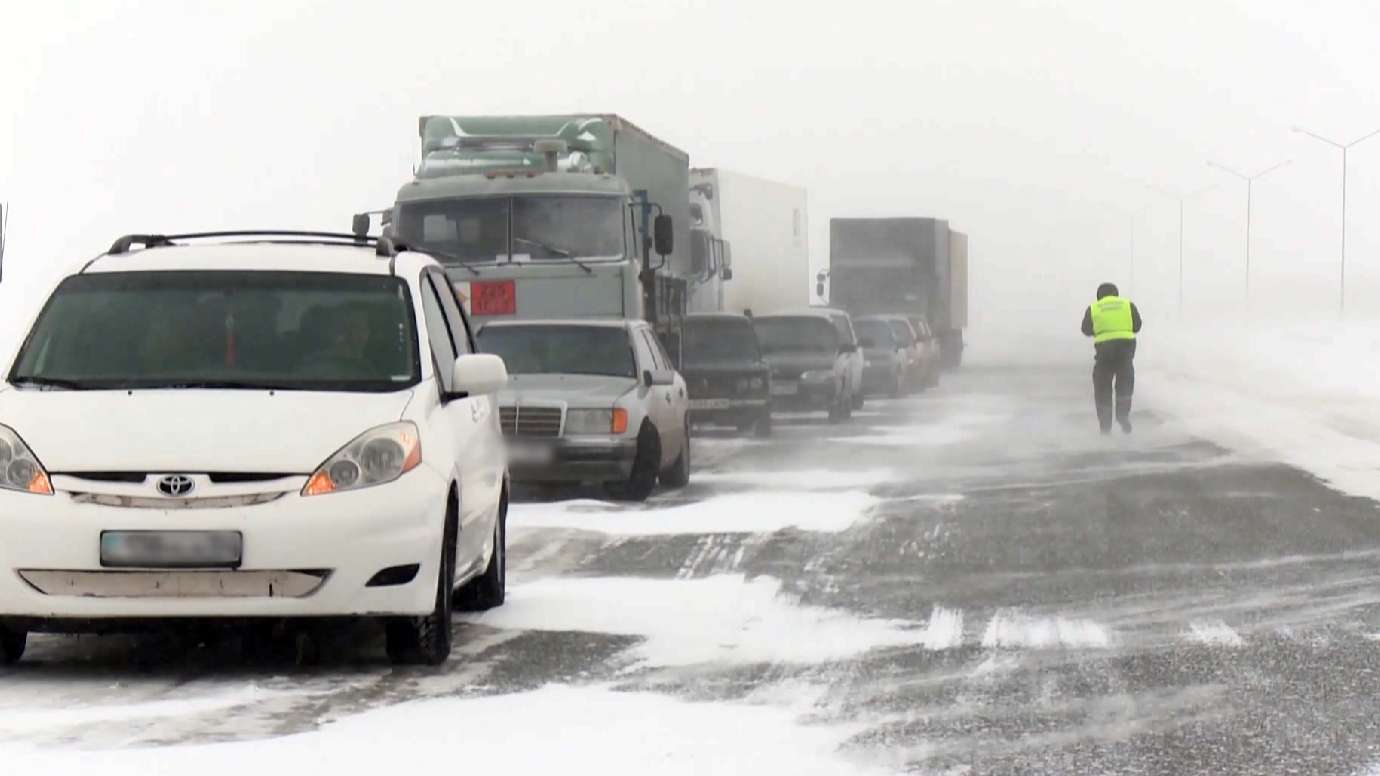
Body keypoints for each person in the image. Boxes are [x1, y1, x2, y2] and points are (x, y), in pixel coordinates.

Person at [1080, 282, 1142, 434]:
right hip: (1126, 349)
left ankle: (1105, 426)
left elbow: (1086, 330)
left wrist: (1101, 329)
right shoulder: (1127, 305)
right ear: (1116, 293)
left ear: (1099, 295)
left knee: (1102, 386)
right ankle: (1123, 416)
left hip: (1104, 351)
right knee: (1125, 383)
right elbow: (1137, 326)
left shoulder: (1094, 307)